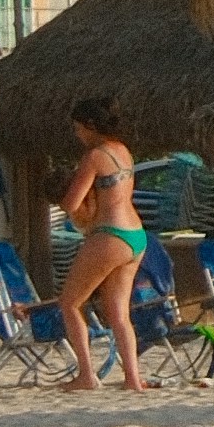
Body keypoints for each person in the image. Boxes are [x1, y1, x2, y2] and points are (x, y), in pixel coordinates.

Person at [55, 105, 149, 392]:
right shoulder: (123, 151)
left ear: (90, 126)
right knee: (119, 312)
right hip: (137, 234)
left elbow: (71, 203)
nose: (77, 134)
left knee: (70, 303)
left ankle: (86, 375)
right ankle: (133, 379)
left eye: (78, 128)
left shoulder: (94, 157)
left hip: (110, 234)